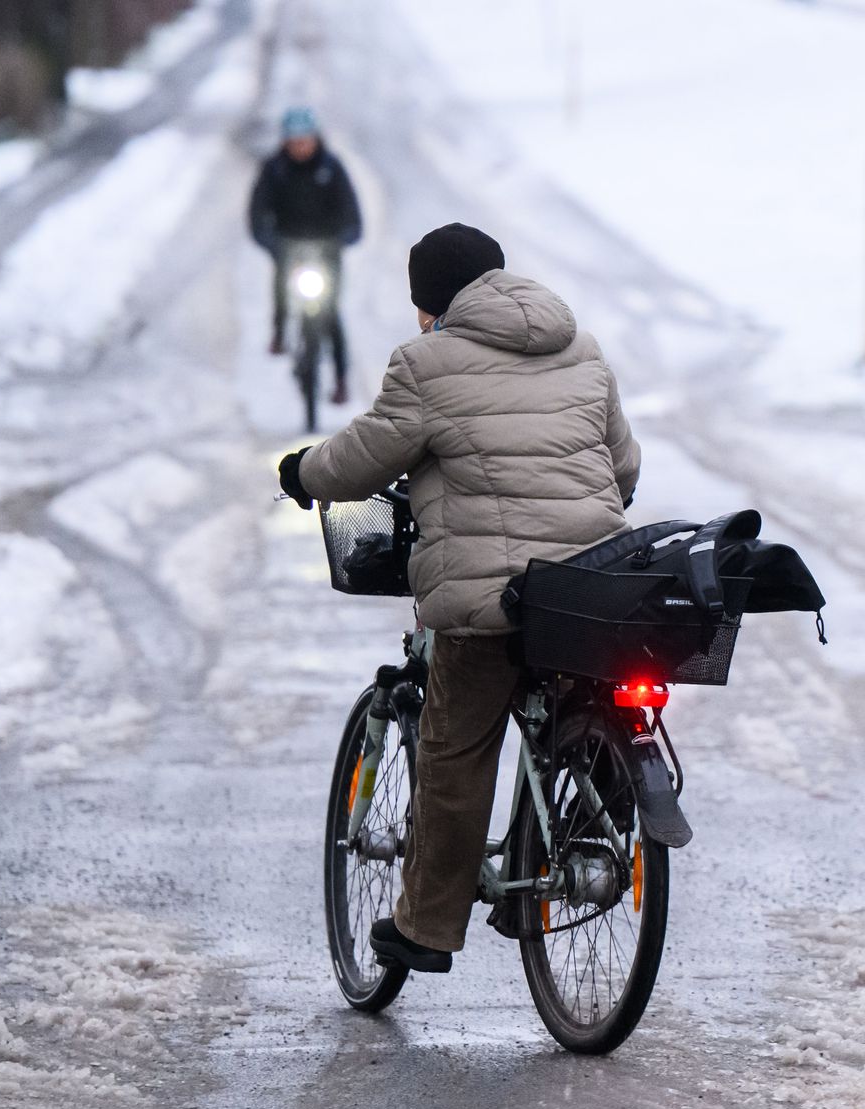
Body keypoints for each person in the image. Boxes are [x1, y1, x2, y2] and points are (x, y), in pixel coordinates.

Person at [277, 223, 641, 973]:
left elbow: (362, 458)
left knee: (455, 746)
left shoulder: (425, 363)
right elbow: (624, 467)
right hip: (592, 589)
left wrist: (302, 472)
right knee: (580, 694)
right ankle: (579, 837)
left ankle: (426, 926)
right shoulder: (581, 347)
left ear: (429, 304)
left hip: (492, 599)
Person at [248, 106, 363, 404]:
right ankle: (279, 333)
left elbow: (351, 210)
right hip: (289, 247)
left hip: (327, 250)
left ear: (315, 139)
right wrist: (268, 240)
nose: (300, 147)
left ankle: (340, 381)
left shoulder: (332, 168)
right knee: (281, 290)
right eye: (294, 141)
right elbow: (258, 211)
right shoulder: (274, 169)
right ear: (285, 142)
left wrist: (347, 235)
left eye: (305, 140)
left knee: (331, 313)